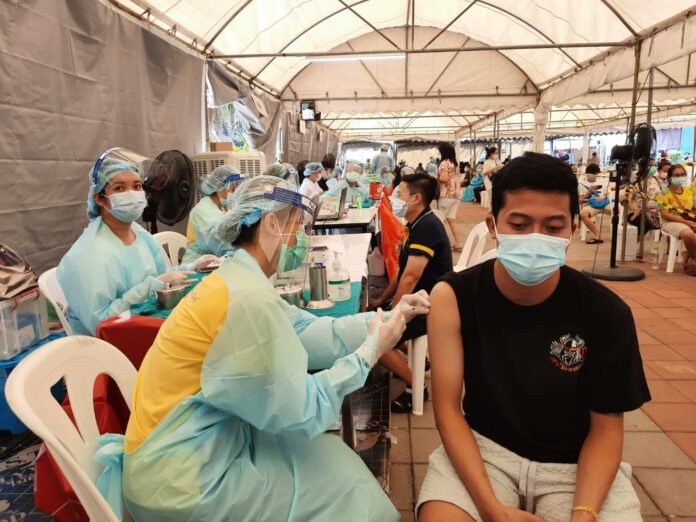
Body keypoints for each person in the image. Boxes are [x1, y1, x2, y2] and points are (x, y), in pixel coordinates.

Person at [95, 175, 432, 521]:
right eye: (297, 226)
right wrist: (369, 355)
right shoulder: (245, 297)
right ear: (271, 223)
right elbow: (301, 410)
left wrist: (386, 318)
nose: (301, 239)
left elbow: (306, 329)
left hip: (196, 449)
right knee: (344, 486)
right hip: (185, 483)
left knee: (334, 460)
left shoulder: (238, 279)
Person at [418, 152, 650, 522]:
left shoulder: (607, 313)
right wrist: (490, 508)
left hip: (574, 466)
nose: (535, 238)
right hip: (485, 451)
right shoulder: (454, 297)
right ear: (494, 226)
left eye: (554, 227)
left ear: (573, 227)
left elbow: (606, 431)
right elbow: (447, 408)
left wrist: (583, 514)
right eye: (520, 224)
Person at [58, 151, 214, 336]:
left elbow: (162, 276)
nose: (132, 194)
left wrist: (193, 266)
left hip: (140, 321)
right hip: (104, 346)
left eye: (137, 186)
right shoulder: (88, 255)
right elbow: (101, 324)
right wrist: (150, 286)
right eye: (119, 188)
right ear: (99, 199)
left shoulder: (138, 233)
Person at [370, 173, 453, 413]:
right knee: (379, 316)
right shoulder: (416, 223)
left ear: (416, 198)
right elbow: (402, 271)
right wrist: (383, 299)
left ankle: (415, 386)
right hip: (421, 299)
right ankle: (415, 361)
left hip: (430, 306)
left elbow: (411, 277)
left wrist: (393, 313)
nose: (394, 198)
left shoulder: (426, 227)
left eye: (399, 194)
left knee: (376, 338)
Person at [182, 165, 244, 264]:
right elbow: (220, 242)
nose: (236, 193)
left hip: (214, 264)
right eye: (232, 189)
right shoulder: (203, 210)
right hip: (197, 268)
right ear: (219, 187)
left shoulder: (220, 208)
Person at [658, 164, 696, 272]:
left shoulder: (689, 191)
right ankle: (694, 259)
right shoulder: (663, 193)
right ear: (670, 178)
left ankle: (688, 259)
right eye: (677, 175)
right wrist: (686, 222)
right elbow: (664, 214)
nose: (680, 177)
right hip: (670, 222)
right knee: (688, 234)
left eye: (682, 174)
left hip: (688, 220)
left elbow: (693, 207)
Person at [436, 142, 464, 251]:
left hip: (445, 195)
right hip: (456, 196)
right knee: (452, 219)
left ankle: (441, 245)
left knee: (440, 220)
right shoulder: (455, 164)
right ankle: (458, 244)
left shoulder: (444, 163)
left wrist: (435, 177)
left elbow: (443, 178)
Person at [578, 163, 610, 244]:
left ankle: (624, 235)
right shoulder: (581, 183)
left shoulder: (602, 181)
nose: (593, 175)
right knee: (583, 214)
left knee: (620, 211)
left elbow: (609, 193)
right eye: (591, 173)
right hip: (591, 205)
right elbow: (580, 200)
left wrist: (604, 196)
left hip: (605, 202)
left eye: (595, 174)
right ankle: (598, 235)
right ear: (586, 173)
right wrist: (589, 191)